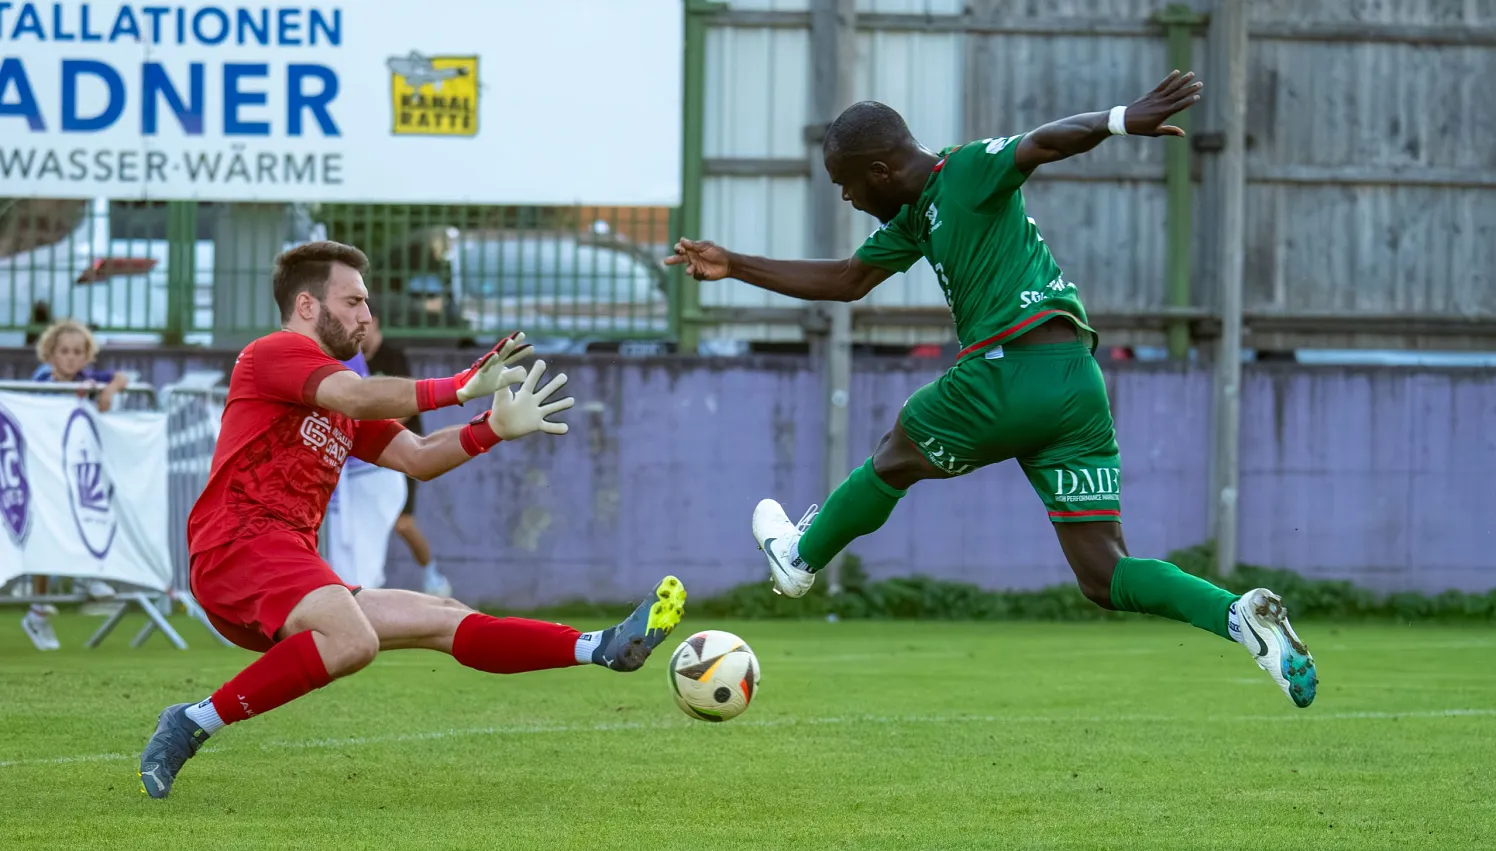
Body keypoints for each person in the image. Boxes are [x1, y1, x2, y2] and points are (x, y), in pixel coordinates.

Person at [666, 71, 1317, 710]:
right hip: (1077, 385)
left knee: (897, 450)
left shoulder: (968, 169)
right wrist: (735, 265)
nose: (847, 199)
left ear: (880, 171)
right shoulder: (918, 216)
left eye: (847, 184)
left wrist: (1121, 120)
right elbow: (847, 278)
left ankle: (800, 560)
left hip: (1008, 370)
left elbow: (1042, 142)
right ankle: (1237, 617)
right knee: (1104, 573)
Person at [139, 241, 687, 799]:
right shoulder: (275, 352)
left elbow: (419, 457)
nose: (366, 315)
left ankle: (601, 647)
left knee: (445, 617)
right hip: (238, 546)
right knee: (352, 639)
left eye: (366, 302)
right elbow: (357, 398)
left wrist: (492, 428)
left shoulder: (342, 396)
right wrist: (457, 387)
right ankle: (193, 721)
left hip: (283, 561)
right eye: (352, 301)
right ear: (306, 305)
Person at [20, 318, 126, 650]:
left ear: (86, 356)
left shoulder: (86, 378)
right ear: (50, 353)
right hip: (43, 471)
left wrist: (108, 391)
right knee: (43, 539)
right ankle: (38, 611)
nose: (70, 358)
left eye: (78, 352)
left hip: (74, 472)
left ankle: (86, 576)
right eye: (64, 351)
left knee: (89, 517)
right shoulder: (42, 380)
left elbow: (121, 378)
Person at [358, 309, 452, 598]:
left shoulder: (393, 358)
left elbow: (408, 404)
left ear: (375, 322)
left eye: (362, 322)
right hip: (368, 461)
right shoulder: (354, 362)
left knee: (403, 524)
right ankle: (365, 584)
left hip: (401, 454)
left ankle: (433, 577)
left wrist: (374, 427)